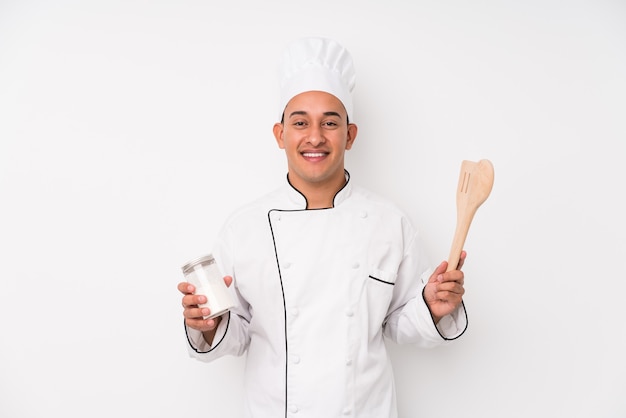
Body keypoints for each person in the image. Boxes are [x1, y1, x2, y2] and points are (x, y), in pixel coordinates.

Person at [178, 36, 468, 418]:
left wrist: (432, 307)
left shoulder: (389, 222)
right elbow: (239, 332)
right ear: (281, 135)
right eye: (300, 123)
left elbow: (400, 322)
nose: (315, 137)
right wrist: (210, 324)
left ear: (349, 134)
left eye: (330, 123)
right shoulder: (243, 228)